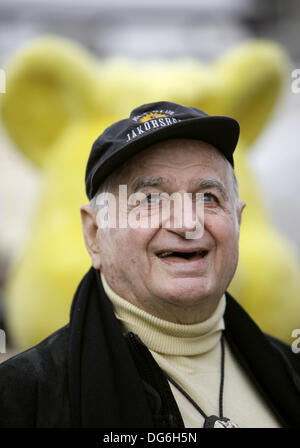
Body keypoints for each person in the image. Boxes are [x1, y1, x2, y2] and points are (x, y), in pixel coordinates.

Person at [0, 101, 299, 428]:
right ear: (95, 233)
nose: (188, 224)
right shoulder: (22, 398)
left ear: (237, 221)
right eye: (151, 200)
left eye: (208, 198)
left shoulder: (289, 372)